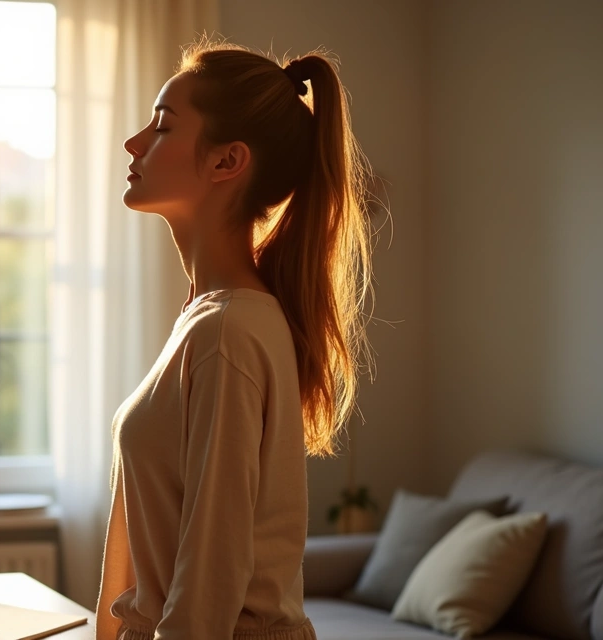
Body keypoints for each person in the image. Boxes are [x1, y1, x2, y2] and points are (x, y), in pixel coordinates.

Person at [96, 39, 373, 640]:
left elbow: (209, 578)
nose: (134, 142)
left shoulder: (228, 332)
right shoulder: (210, 319)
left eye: (163, 127)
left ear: (226, 162)